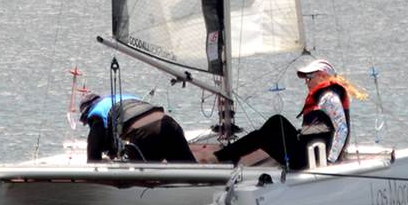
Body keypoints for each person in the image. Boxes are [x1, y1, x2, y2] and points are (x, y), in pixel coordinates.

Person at [214, 56, 363, 170]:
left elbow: (342, 129)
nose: (307, 82)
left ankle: (223, 158)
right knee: (276, 121)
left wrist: (331, 160)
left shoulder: (328, 97)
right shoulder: (323, 96)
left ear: (323, 76)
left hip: (309, 159)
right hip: (306, 151)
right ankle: (230, 155)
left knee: (262, 137)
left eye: (309, 78)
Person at [78, 91, 193, 163]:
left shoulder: (97, 115)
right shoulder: (125, 99)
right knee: (190, 171)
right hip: (169, 123)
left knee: (136, 174)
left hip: (145, 132)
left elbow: (93, 157)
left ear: (87, 112)